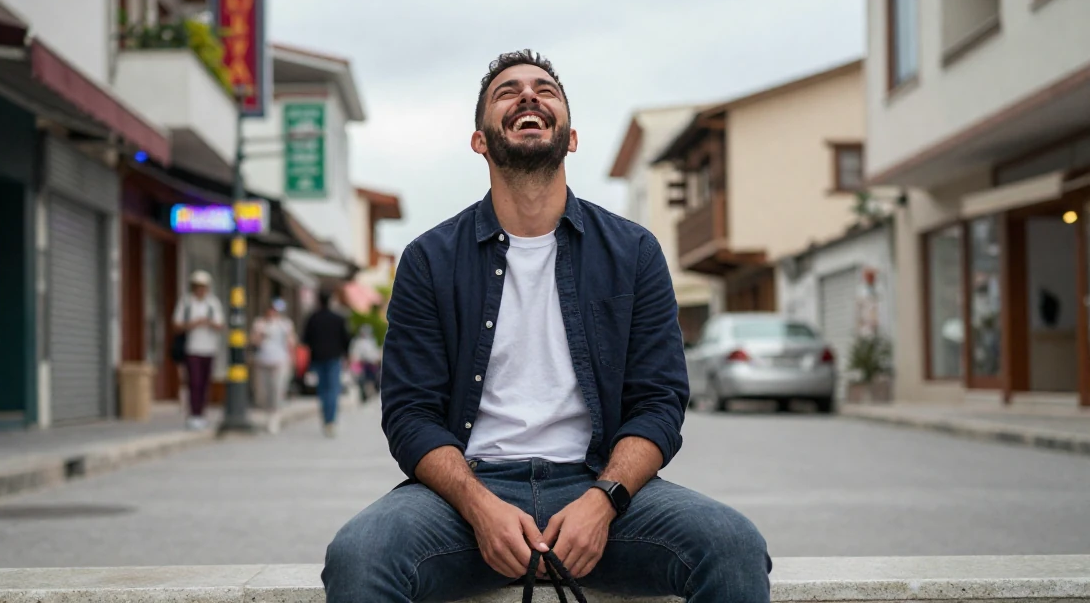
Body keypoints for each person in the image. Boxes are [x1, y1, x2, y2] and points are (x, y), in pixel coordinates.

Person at [322, 51, 771, 602]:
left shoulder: (633, 251)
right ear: (480, 141)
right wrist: (479, 507)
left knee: (732, 543)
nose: (529, 96)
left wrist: (603, 500)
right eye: (507, 92)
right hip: (466, 497)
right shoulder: (429, 259)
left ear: (571, 138)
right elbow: (410, 413)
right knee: (360, 554)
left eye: (545, 90)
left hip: (599, 488)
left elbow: (659, 402)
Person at [172, 271, 224, 430]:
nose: (200, 290)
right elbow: (176, 325)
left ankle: (201, 414)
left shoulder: (213, 303)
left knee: (205, 383)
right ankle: (193, 414)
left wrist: (208, 322)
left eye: (203, 287)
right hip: (191, 348)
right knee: (194, 382)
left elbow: (220, 325)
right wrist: (193, 324)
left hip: (209, 348)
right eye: (198, 287)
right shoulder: (186, 302)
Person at [301, 290, 351, 437]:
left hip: (317, 358)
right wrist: (346, 355)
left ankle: (326, 418)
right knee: (333, 389)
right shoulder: (338, 318)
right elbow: (346, 339)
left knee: (323, 390)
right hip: (334, 358)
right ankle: (331, 420)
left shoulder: (312, 318)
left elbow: (305, 339)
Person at [251, 298, 296, 422]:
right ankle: (267, 412)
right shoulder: (260, 323)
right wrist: (261, 334)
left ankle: (275, 415)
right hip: (262, 361)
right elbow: (254, 341)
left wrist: (293, 360)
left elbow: (291, 343)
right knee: (262, 392)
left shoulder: (285, 324)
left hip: (280, 361)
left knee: (277, 389)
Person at [349, 323, 381, 402]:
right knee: (363, 381)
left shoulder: (371, 341)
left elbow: (374, 353)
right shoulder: (357, 342)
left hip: (371, 364)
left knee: (372, 379)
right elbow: (355, 354)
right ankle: (365, 395)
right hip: (362, 365)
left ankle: (371, 393)